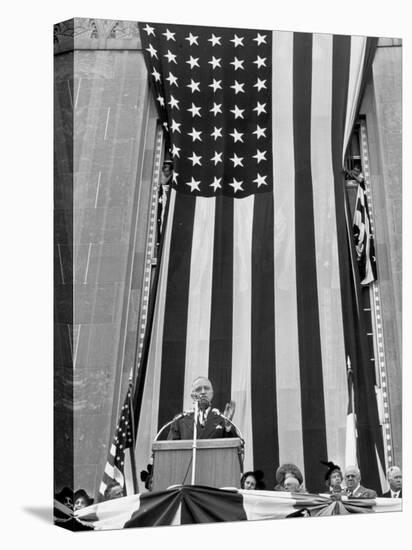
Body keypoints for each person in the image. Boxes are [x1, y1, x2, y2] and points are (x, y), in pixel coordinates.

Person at [167, 376, 236, 440]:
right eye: (198, 389)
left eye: (206, 388)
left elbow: (234, 447)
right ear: (192, 395)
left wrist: (228, 426)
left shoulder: (222, 418)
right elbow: (170, 449)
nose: (203, 392)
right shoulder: (180, 420)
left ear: (212, 393)